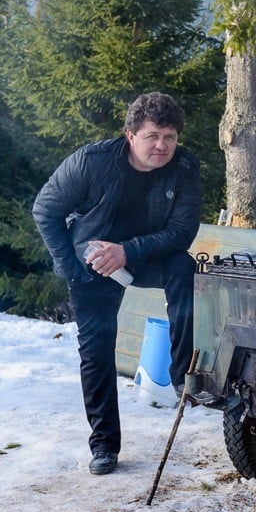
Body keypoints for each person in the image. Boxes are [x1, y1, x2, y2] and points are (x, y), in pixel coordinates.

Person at [33, 92, 202, 476]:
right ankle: (105, 444)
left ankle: (182, 379)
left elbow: (182, 231)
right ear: (130, 135)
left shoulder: (185, 167)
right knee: (96, 349)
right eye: (153, 136)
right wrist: (73, 268)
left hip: (145, 255)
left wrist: (128, 250)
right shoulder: (90, 162)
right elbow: (46, 210)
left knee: (184, 267)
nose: (162, 146)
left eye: (170, 137)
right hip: (93, 262)